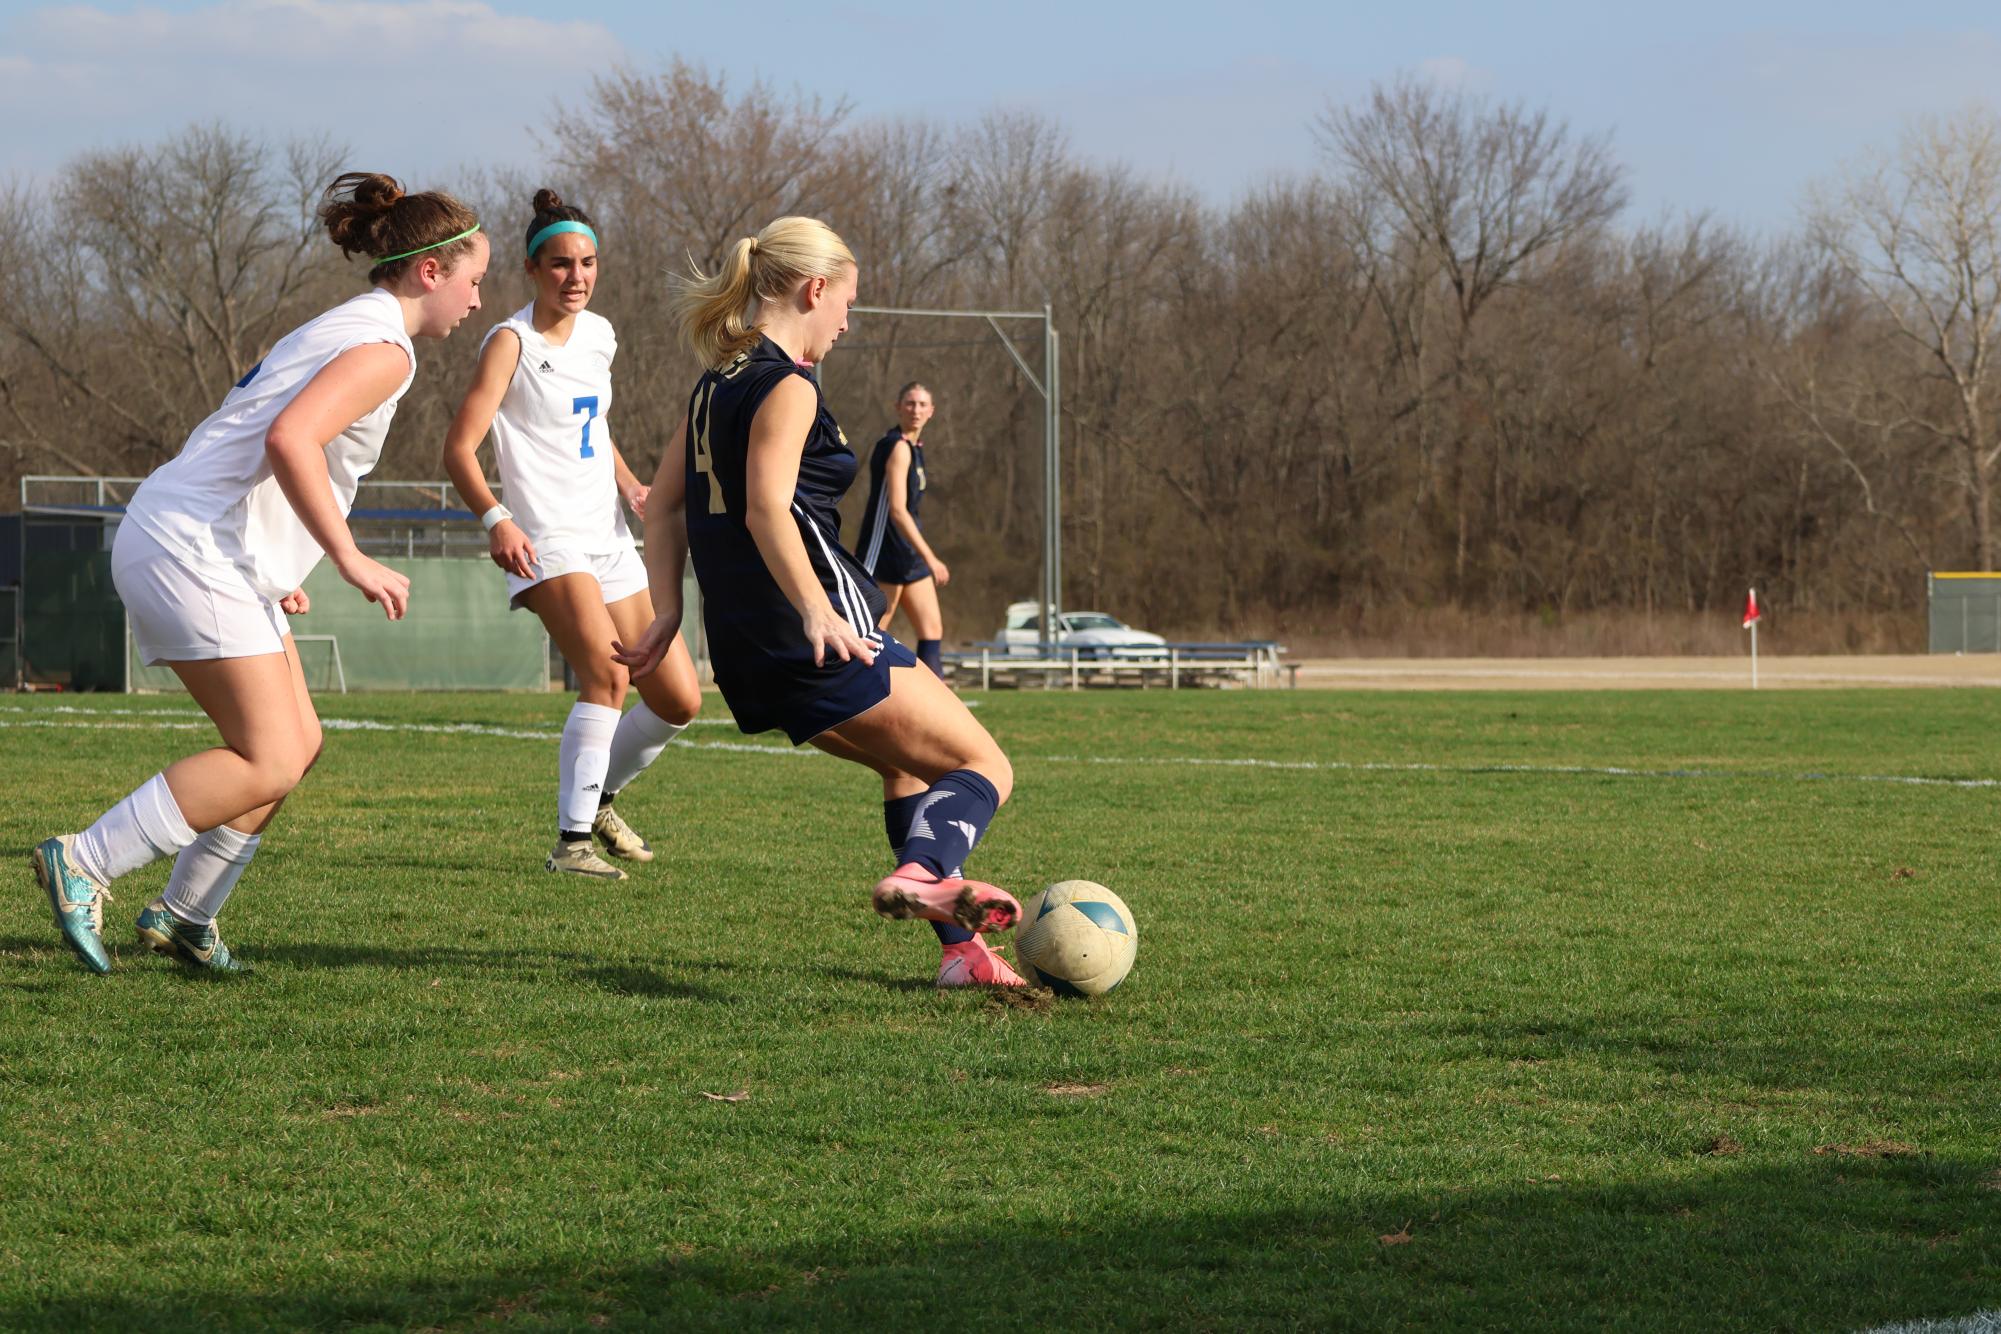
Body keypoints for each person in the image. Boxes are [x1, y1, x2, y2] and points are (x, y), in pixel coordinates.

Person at [30, 172, 489, 974]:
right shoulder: (384, 348)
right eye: (475, 281)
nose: (477, 301)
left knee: (298, 744)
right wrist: (347, 555)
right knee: (267, 756)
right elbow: (288, 440)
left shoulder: (353, 325)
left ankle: (185, 914)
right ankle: (86, 860)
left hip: (203, 541)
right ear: (430, 271)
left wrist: (275, 564)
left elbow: (253, 445)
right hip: (187, 543)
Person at [614, 217, 1026, 987]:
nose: (847, 320)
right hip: (814, 631)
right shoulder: (786, 384)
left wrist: (665, 613)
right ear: (814, 289)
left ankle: (960, 956)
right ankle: (927, 870)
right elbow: (767, 506)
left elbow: (662, 506)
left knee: (906, 771)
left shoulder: (716, 383)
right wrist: (814, 607)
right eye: (847, 301)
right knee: (982, 762)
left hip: (744, 648)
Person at [442, 189, 702, 880]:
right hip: (545, 536)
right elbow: (459, 448)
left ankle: (600, 798)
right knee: (606, 674)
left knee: (678, 697)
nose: (577, 276)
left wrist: (627, 482)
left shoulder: (601, 334)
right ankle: (571, 843)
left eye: (587, 262)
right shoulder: (510, 342)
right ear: (532, 269)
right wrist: (495, 518)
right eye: (560, 264)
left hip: (608, 535)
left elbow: (593, 425)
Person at [854, 382, 949, 677]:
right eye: (910, 403)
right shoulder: (896, 446)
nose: (916, 410)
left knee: (931, 628)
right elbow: (897, 510)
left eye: (922, 405)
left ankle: (934, 709)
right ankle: (850, 705)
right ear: (898, 407)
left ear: (931, 411)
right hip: (885, 552)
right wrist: (931, 558)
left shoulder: (914, 448)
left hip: (907, 552)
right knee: (871, 632)